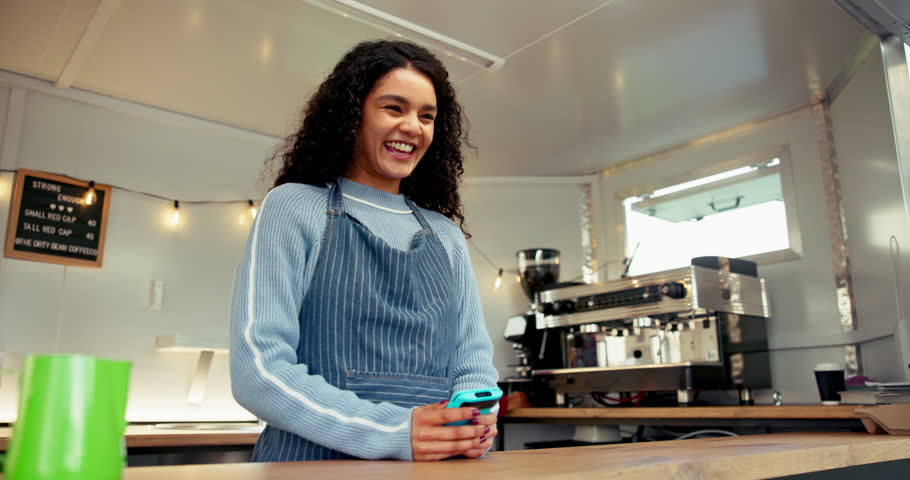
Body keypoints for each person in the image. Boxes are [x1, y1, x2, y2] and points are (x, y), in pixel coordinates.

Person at [230, 39, 500, 462]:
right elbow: (259, 372)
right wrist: (396, 431)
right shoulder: (295, 207)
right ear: (353, 114)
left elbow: (473, 361)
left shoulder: (445, 235)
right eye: (395, 108)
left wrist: (474, 417)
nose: (413, 126)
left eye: (426, 116)